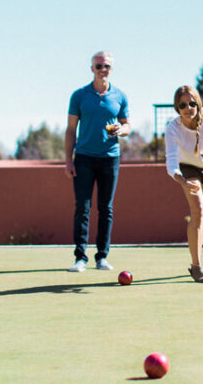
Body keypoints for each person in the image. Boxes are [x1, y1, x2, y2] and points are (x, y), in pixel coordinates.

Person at [64, 51, 131, 272]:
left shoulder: (120, 96)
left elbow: (127, 125)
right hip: (83, 158)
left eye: (107, 67)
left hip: (110, 158)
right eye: (99, 66)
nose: (103, 70)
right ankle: (80, 258)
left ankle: (102, 257)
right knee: (82, 208)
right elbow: (71, 130)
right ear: (91, 68)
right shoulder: (79, 96)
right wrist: (68, 160)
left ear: (112, 69)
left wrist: (123, 130)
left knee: (106, 209)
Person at [164, 85, 203, 283]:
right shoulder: (173, 128)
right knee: (198, 211)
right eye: (183, 105)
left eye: (192, 103)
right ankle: (196, 266)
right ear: (177, 108)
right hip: (188, 169)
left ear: (198, 103)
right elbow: (172, 161)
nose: (188, 108)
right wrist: (181, 179)